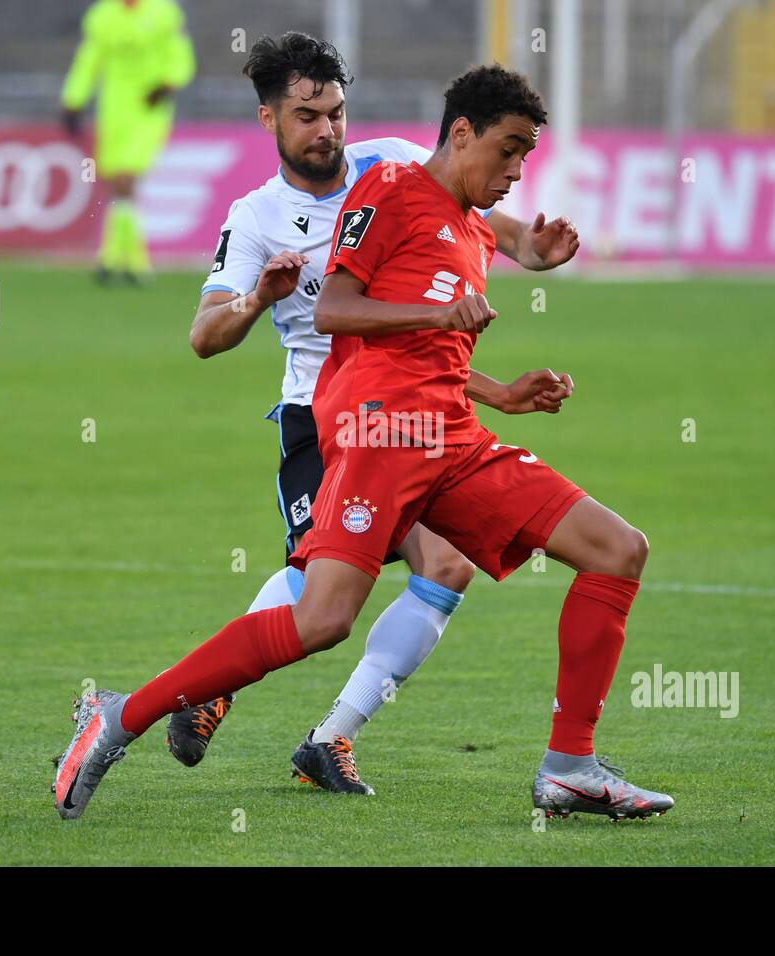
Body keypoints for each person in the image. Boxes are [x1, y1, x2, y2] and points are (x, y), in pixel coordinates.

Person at [54, 64, 673, 824]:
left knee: (618, 549)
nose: (516, 171)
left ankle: (568, 768)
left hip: (450, 437)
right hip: (375, 435)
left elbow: (431, 354)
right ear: (461, 134)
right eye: (509, 151)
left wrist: (505, 389)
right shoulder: (384, 191)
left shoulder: (466, 220)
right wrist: (432, 317)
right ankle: (121, 718)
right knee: (323, 619)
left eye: (526, 157)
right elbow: (336, 310)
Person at [170, 33, 577, 795]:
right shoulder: (255, 218)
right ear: (268, 120)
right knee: (315, 587)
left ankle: (331, 738)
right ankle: (209, 685)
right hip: (325, 421)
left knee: (445, 565)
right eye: (307, 116)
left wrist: (535, 249)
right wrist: (258, 298)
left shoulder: (390, 163)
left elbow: (487, 226)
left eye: (336, 112)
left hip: (414, 408)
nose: (328, 129)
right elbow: (204, 335)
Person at [60, 0, 196, 283]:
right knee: (117, 183)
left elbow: (179, 54)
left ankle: (116, 259)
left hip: (149, 108)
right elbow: (89, 60)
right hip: (113, 108)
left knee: (126, 178)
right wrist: (73, 100)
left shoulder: (163, 12)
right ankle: (129, 261)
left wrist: (168, 83)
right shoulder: (103, 15)